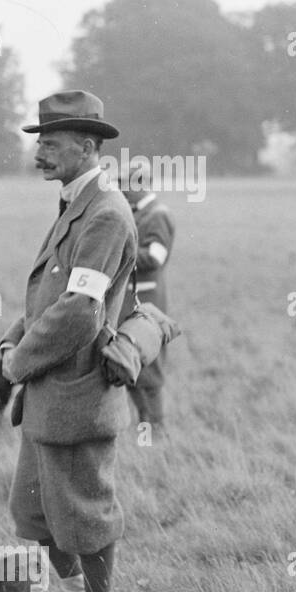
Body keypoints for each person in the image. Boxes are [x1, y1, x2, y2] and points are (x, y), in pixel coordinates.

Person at [0, 91, 137, 592]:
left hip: (77, 393)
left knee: (84, 515)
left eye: (51, 145)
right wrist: (14, 338)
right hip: (46, 392)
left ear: (86, 147)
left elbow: (81, 311)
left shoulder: (105, 213)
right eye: (40, 144)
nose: (40, 154)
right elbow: (51, 292)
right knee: (35, 513)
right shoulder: (74, 202)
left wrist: (17, 363)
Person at [121, 160, 176, 435]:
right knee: (130, 367)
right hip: (131, 302)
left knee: (149, 372)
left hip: (148, 303)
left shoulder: (157, 214)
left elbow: (155, 257)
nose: (120, 190)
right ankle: (146, 430)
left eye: (125, 184)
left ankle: (156, 432)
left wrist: (119, 258)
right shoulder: (136, 213)